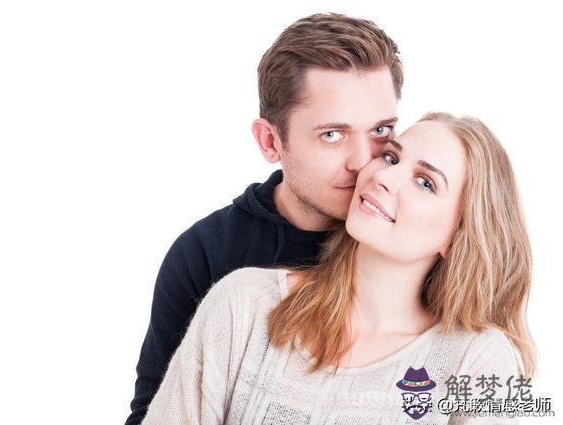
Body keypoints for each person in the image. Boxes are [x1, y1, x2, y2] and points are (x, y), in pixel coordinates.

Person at [142, 112, 536, 424]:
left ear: (457, 235)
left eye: (425, 182)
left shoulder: (476, 362)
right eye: (391, 157)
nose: (384, 176)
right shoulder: (244, 306)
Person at [126, 13, 403, 424]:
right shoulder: (207, 255)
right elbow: (155, 412)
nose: (363, 160)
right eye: (332, 134)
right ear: (270, 141)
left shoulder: (415, 237)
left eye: (380, 130)